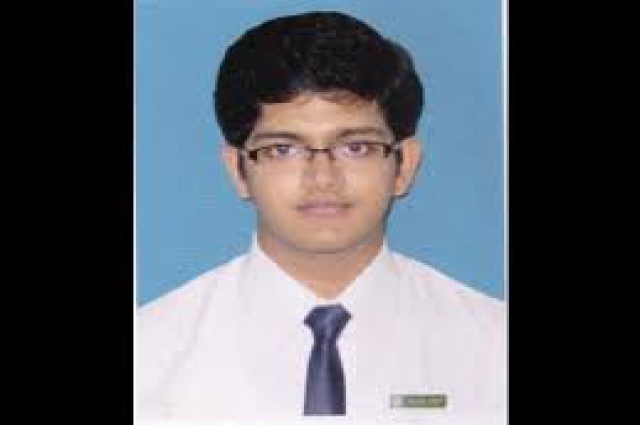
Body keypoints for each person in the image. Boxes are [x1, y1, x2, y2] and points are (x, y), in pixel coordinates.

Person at [136, 10, 506, 423]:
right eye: (283, 149)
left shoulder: (492, 349)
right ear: (238, 170)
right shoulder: (149, 357)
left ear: (404, 165)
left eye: (356, 147)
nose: (323, 178)